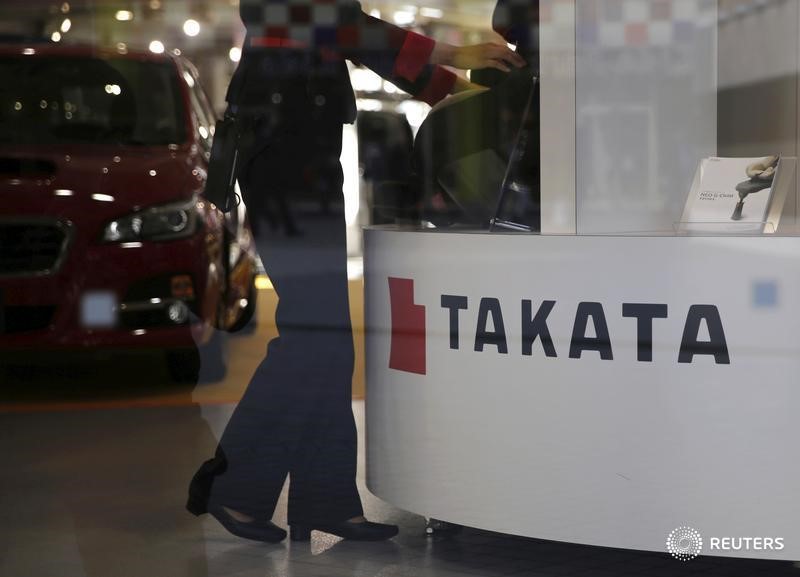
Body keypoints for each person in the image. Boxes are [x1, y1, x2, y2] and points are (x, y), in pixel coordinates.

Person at [187, 0, 525, 543]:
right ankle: (235, 487)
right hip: (285, 163)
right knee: (313, 339)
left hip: (299, 161)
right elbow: (344, 27)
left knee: (326, 340)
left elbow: (346, 35)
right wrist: (453, 60)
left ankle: (323, 500)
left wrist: (451, 89)